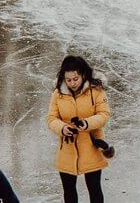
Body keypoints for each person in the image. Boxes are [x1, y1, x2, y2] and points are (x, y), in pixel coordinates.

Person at [47, 55, 111, 203]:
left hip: (91, 146)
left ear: (83, 74)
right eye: (68, 80)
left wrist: (87, 123)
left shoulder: (96, 91)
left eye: (75, 79)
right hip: (67, 149)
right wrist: (63, 128)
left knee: (94, 190)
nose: (72, 83)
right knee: (69, 192)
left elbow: (104, 114)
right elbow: (51, 118)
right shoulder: (58, 94)